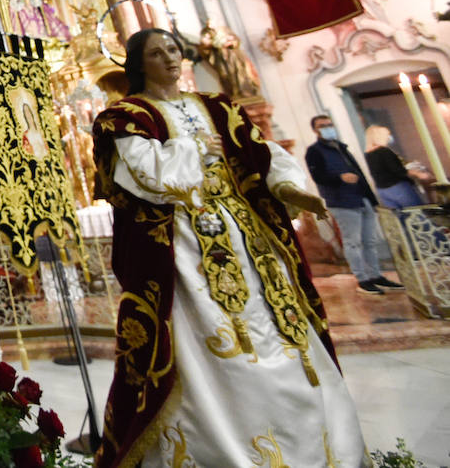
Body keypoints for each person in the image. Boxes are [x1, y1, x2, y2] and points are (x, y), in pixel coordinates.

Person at [92, 28, 367, 468]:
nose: (170, 58)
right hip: (182, 244)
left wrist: (291, 187)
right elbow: (141, 173)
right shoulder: (125, 115)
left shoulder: (219, 106)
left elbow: (263, 154)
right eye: (157, 52)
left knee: (280, 325)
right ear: (138, 63)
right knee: (207, 336)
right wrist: (193, 149)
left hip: (246, 234)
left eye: (174, 50)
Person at [305, 113, 402, 295]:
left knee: (369, 241)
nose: (327, 128)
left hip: (361, 198)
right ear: (314, 130)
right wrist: (339, 177)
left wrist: (371, 199)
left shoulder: (341, 147)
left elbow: (358, 172)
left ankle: (375, 275)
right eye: (322, 126)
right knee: (353, 242)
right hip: (342, 201)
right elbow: (318, 176)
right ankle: (362, 279)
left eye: (329, 124)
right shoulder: (314, 151)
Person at [365, 125, 430, 210]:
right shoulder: (384, 151)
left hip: (382, 190)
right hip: (398, 188)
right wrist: (418, 174)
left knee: (400, 219)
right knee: (417, 214)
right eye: (386, 135)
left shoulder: (368, 154)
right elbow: (398, 171)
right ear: (380, 136)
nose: (388, 137)